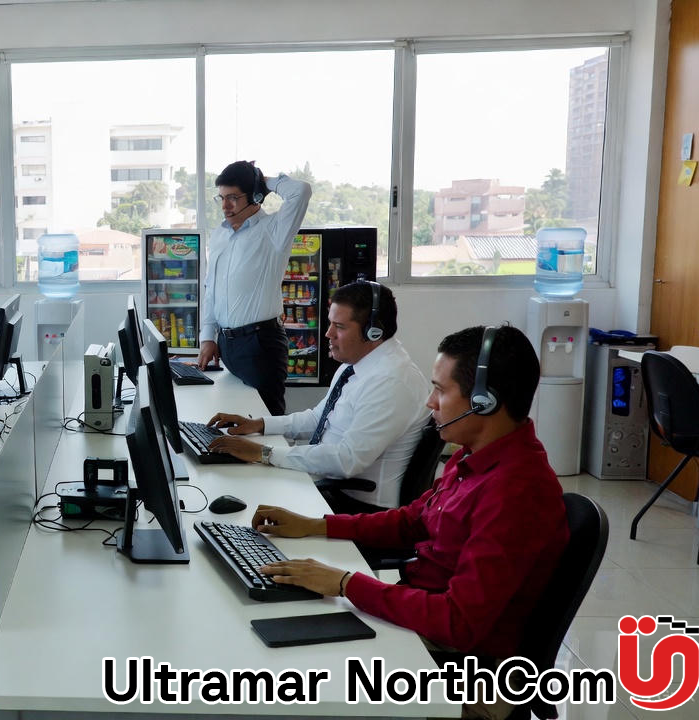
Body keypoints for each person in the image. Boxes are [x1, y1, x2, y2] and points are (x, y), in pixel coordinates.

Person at [249, 325, 568, 719]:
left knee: (288, 684)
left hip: (457, 668)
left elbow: (458, 622)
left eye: (441, 390)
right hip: (423, 628)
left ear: (484, 402)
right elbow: (412, 521)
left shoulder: (518, 492)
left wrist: (346, 583)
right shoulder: (474, 455)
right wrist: (317, 525)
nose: (430, 402)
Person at [206, 281, 430, 511]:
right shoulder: (359, 364)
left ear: (373, 332)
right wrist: (259, 425)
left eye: (339, 327)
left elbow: (346, 461)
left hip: (356, 507)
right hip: (329, 485)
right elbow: (318, 418)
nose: (328, 333)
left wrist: (263, 453)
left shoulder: (392, 382)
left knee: (249, 496)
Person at [197, 161, 311, 415]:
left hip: (261, 346)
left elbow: (301, 191)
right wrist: (207, 336)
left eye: (234, 198)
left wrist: (263, 180)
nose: (225, 206)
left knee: (266, 429)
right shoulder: (220, 235)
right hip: (227, 346)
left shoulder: (273, 229)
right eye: (222, 198)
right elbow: (211, 288)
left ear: (256, 196)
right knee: (235, 418)